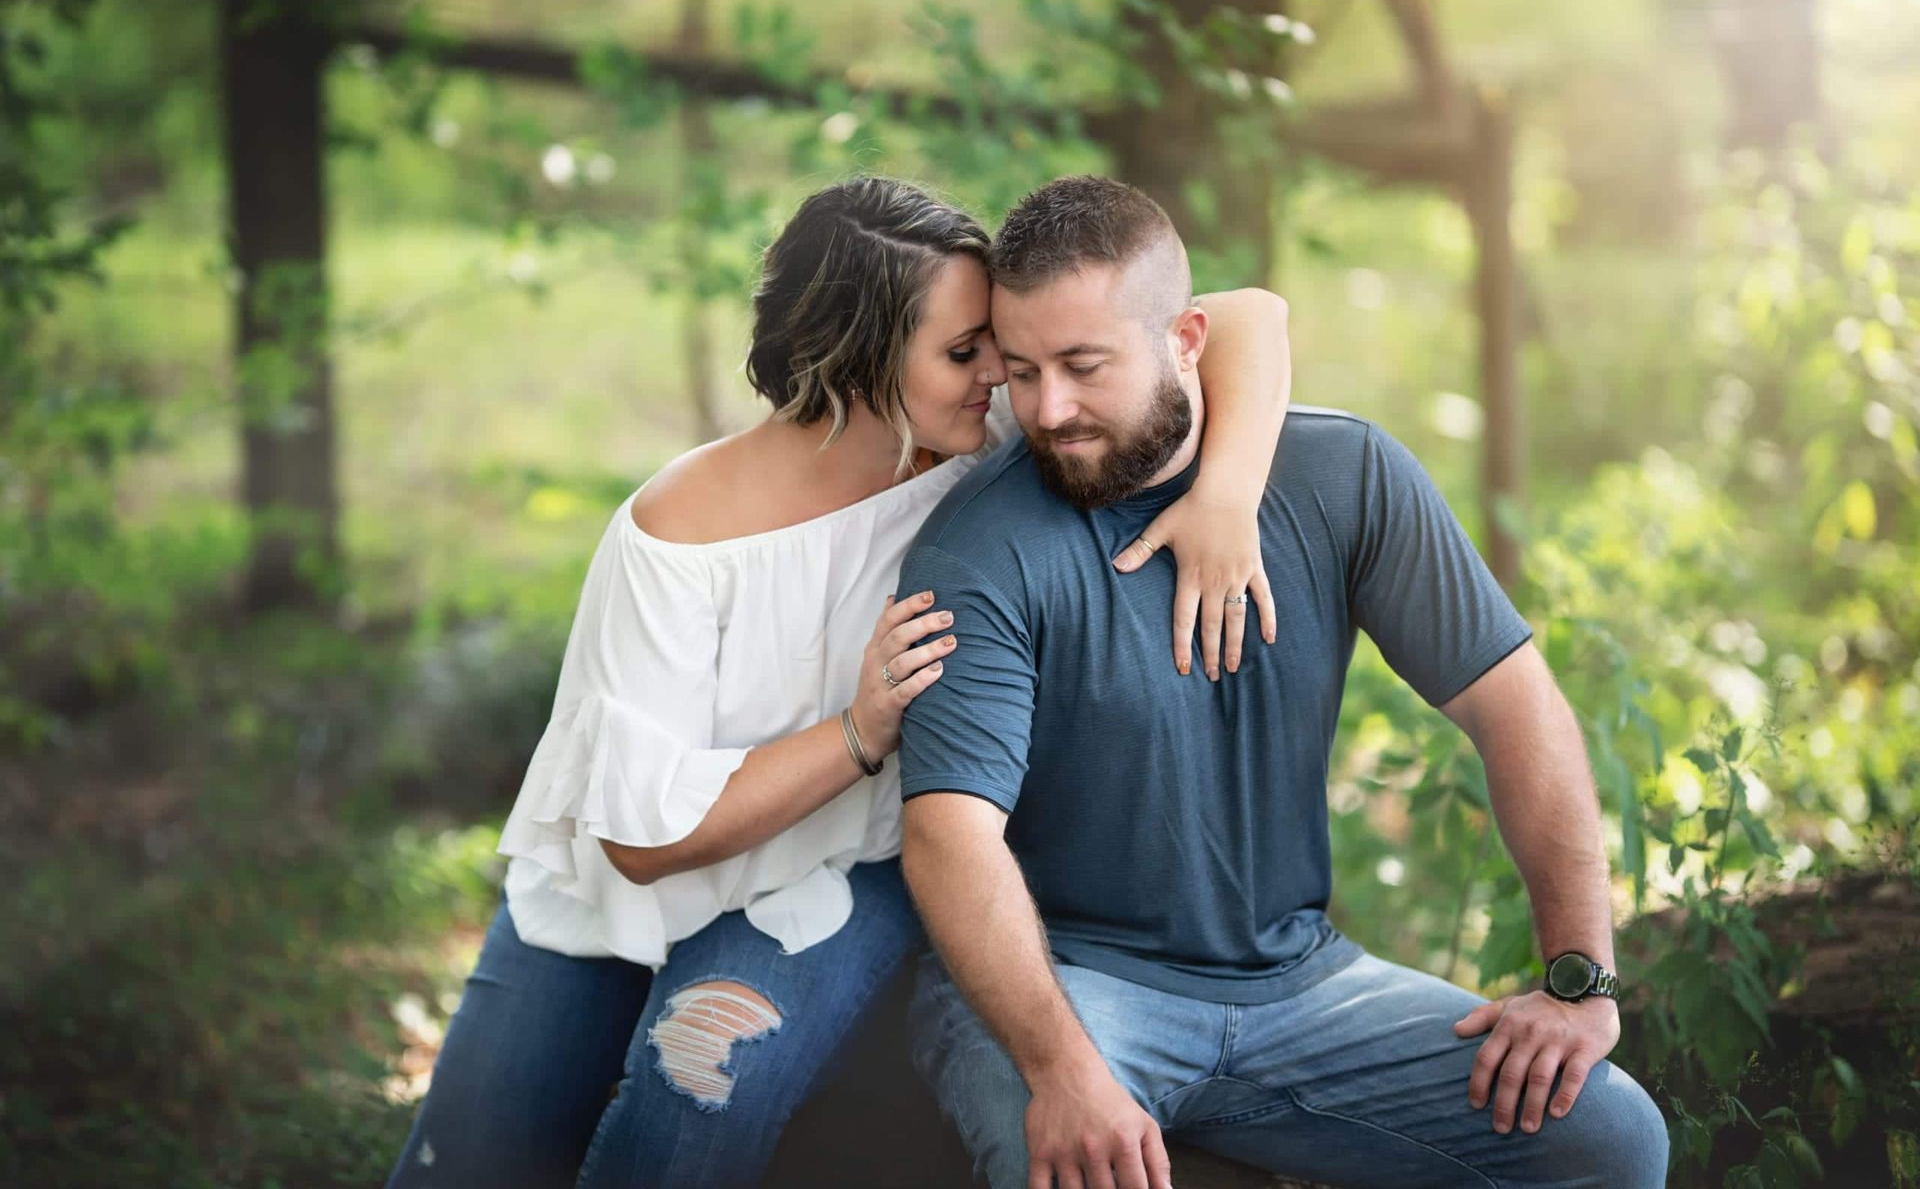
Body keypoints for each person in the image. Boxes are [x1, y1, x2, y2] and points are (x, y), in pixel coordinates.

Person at [384, 174, 1296, 1189]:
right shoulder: (675, 536)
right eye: (965, 350)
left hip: (834, 877)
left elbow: (1250, 318)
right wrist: (860, 729)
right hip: (605, 898)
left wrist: (1227, 496)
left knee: (697, 1079)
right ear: (859, 362)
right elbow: (639, 843)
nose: (1007, 372)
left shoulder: (984, 442)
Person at [894, 174, 1670, 1189]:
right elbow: (949, 832)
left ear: (1186, 338)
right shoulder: (982, 544)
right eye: (1025, 369)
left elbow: (1515, 707)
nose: (1049, 408)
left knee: (1612, 1141)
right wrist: (1062, 1068)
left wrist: (1578, 978)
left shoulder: (1340, 474)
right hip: (1074, 987)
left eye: (1084, 366)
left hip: (1303, 989)